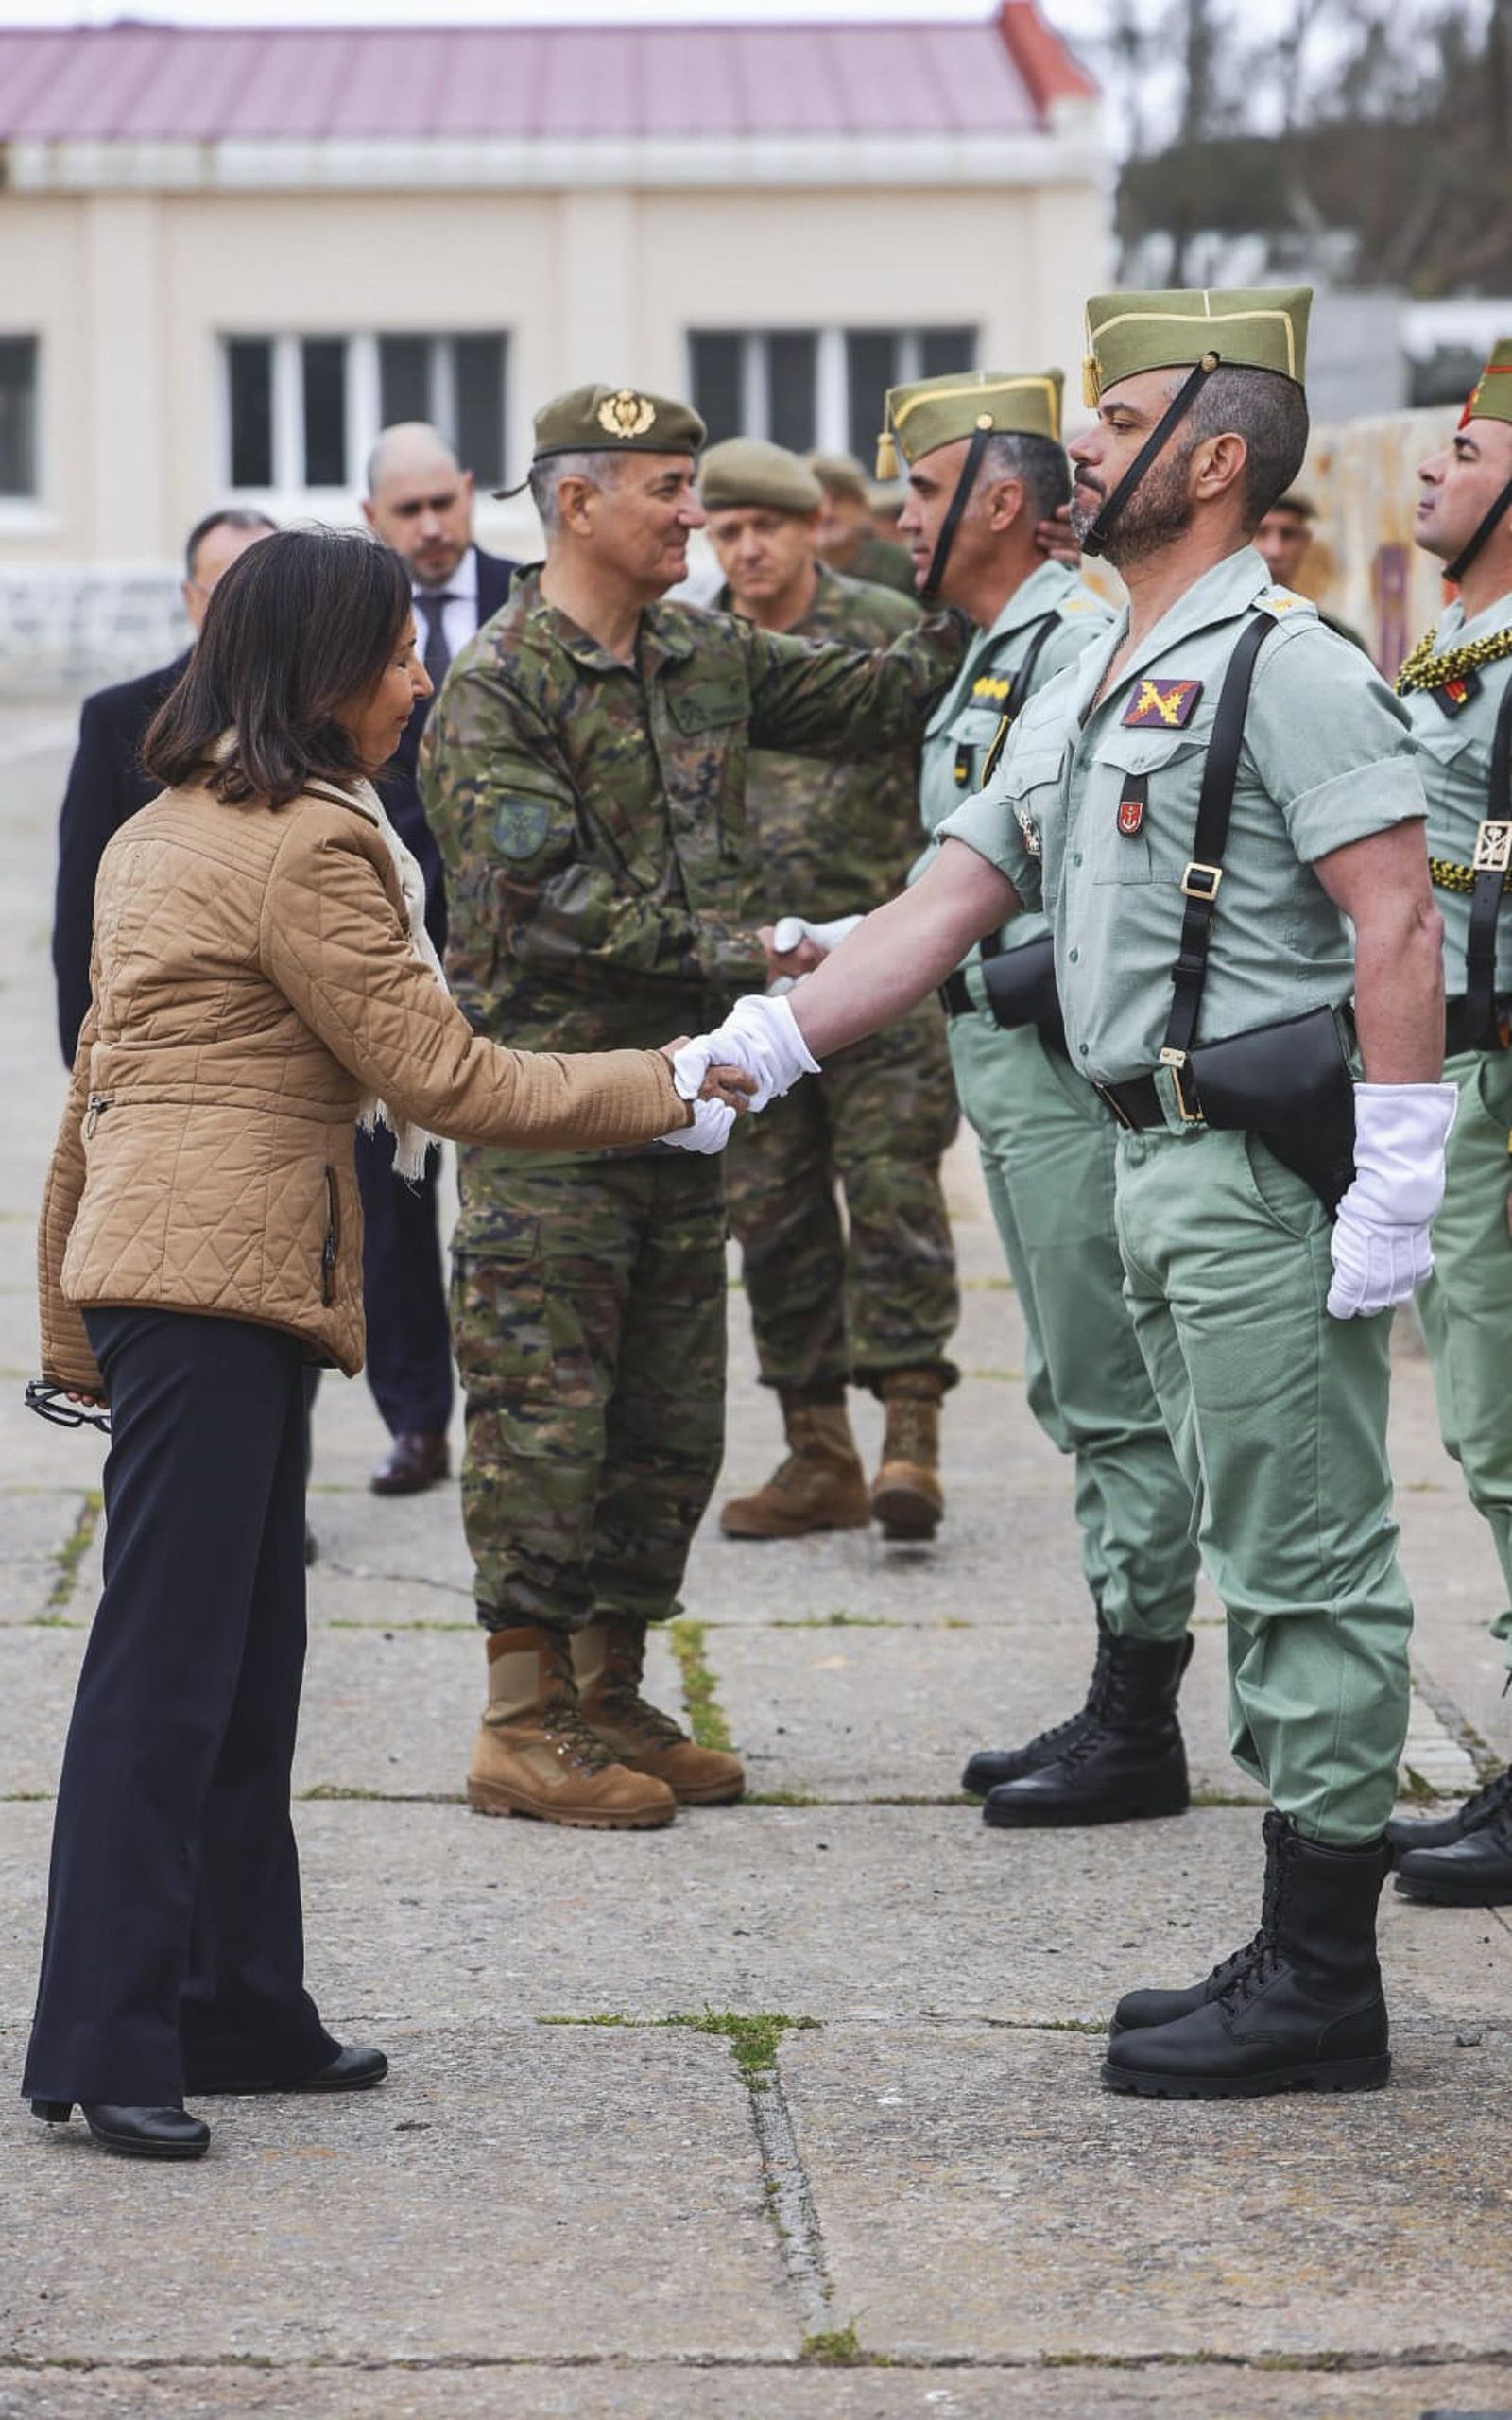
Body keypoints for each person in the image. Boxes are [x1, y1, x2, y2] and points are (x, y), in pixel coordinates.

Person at [679, 287, 1455, 2101]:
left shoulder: (1295, 660)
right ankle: (1295, 1937)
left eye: (1115, 421)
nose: (1079, 448)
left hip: (1259, 1174)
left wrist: (1400, 1178)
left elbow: (1397, 916)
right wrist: (758, 1052)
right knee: (1244, 1538)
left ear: (1208, 457)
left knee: (1306, 1565)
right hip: (1147, 1160)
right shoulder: (1103, 665)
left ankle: (1327, 1980)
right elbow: (953, 898)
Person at [24, 527, 739, 2163]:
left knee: (244, 1658)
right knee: (167, 1673)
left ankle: (239, 2004)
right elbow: (452, 1082)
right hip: (212, 1279)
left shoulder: (168, 821)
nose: (421, 678)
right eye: (397, 656)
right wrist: (677, 1079)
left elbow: (98, 1079)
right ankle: (106, 2037)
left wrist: (72, 1302)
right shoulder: (305, 848)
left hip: (194, 1267)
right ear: (321, 673)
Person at [421, 383, 969, 1832]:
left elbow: (876, 702)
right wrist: (767, 953)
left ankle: (612, 1691)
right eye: (666, 490)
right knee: (547, 1416)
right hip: (553, 1115)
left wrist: (984, 576)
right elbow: (544, 909)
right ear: (575, 503)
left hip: (686, 1104)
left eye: (694, 487)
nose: (693, 515)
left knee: (668, 1418)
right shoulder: (502, 686)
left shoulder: (699, 651)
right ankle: (516, 1721)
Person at [887, 366, 1201, 1828]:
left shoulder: (1075, 633)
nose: (898, 519)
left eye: (919, 492)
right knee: (1083, 1389)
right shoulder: (1000, 643)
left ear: (997, 504)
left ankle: (1139, 1716)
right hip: (1008, 1075)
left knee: (1114, 1393)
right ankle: (1123, 1694)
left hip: (1063, 1072)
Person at [699, 436, 960, 1542]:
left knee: (892, 1191)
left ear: (815, 526)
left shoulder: (879, 636)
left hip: (883, 970)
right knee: (773, 1215)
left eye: (766, 525)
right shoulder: (693, 649)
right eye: (726, 528)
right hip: (750, 987)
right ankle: (818, 1452)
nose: (746, 547)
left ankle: (910, 1437)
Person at [1386, 339, 1512, 1908]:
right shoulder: (1457, 648)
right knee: (1482, 1430)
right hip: (1461, 1077)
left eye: (1471, 450)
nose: (1434, 466)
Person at [355, 424, 516, 1497]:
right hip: (389, 950)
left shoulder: (530, 598)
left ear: (467, 493)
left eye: (441, 502)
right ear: (373, 519)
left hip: (516, 948)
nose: (429, 526)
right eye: (405, 511)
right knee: (396, 1196)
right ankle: (417, 1419)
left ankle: (518, 1409)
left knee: (514, 1184)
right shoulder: (353, 621)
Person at [52, 508, 277, 1064]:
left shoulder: (330, 718)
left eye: (265, 586)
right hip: (165, 1050)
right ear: (191, 597)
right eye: (228, 587)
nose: (247, 608)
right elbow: (84, 905)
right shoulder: (120, 718)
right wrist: (88, 1065)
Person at [1254, 490, 1369, 651]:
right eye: (1261, 532)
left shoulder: (1337, 638)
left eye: (1288, 535)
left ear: (1306, 541)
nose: (1275, 551)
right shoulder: (1217, 625)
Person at [809, 453, 918, 596]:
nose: (827, 512)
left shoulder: (902, 567)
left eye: (838, 500)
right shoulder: (790, 566)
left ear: (863, 506)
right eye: (816, 500)